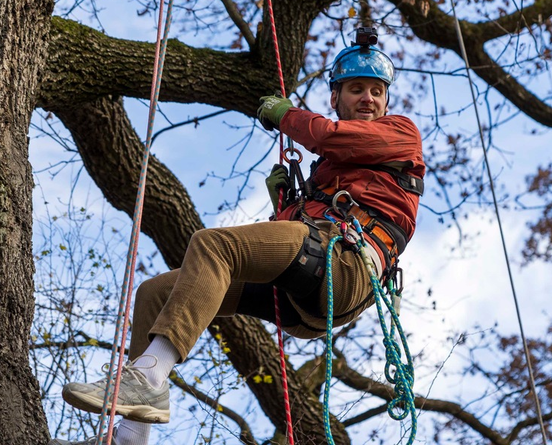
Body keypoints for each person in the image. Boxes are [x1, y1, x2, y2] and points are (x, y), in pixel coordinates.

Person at [51, 27, 426, 445]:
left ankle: (148, 379)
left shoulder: (401, 133)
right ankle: (130, 435)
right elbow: (290, 235)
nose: (368, 99)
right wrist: (285, 205)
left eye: (376, 91)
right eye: (357, 89)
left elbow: (327, 136)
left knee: (215, 245)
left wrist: (286, 115)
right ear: (336, 97)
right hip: (306, 283)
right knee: (154, 294)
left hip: (346, 269)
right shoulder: (326, 171)